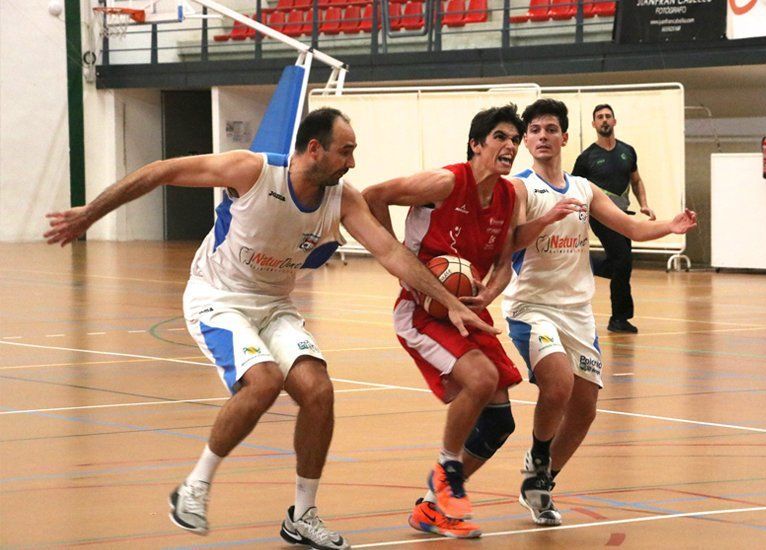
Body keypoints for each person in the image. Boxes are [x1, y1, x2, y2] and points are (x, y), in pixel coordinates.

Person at [44, 108, 496, 550]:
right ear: (313, 149)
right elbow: (160, 170)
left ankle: (303, 515)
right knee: (263, 382)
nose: (353, 162)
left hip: (275, 305)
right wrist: (90, 213)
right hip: (216, 298)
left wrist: (450, 302)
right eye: (346, 151)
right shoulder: (252, 171)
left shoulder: (344, 198)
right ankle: (194, 486)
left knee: (318, 392)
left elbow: (392, 253)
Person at [506, 99, 697, 525]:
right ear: (526, 141)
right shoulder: (518, 188)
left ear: (564, 137)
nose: (541, 136)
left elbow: (629, 227)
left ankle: (541, 483)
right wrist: (546, 218)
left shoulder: (583, 188)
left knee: (586, 407)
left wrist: (669, 225)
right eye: (534, 130)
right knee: (556, 383)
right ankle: (537, 455)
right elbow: (511, 243)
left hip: (577, 312)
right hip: (531, 306)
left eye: (550, 129)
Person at [362, 104, 540, 539]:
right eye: (500, 137)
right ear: (476, 144)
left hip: (467, 310)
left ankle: (430, 507)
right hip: (422, 309)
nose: (510, 146)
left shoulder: (509, 196)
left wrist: (488, 295)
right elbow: (372, 196)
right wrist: (398, 260)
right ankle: (447, 469)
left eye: (514, 140)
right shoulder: (444, 182)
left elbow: (503, 263)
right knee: (479, 379)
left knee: (500, 423)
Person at [572, 104, 655, 334]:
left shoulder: (627, 151)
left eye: (608, 116)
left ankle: (582, 263)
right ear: (594, 124)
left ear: (614, 121)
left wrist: (644, 204)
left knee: (622, 265)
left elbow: (636, 180)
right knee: (622, 259)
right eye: (600, 117)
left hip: (624, 215)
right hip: (602, 217)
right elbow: (574, 189)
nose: (604, 120)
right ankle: (619, 319)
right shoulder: (587, 157)